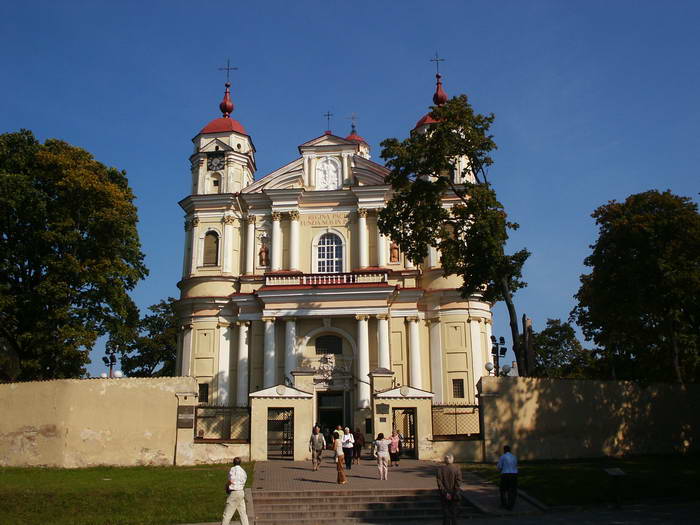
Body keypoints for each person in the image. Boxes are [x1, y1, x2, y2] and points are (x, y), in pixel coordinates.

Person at [221, 456, 249, 525]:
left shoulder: (233, 469)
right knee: (243, 514)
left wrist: (226, 486)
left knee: (227, 514)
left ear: (233, 462)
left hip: (234, 492)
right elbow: (244, 481)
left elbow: (231, 480)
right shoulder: (243, 471)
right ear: (240, 463)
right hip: (241, 492)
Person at [436, 454, 462, 525]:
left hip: (444, 494)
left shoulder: (440, 469)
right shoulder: (457, 469)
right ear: (452, 460)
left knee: (446, 514)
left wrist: (446, 493)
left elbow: (439, 483)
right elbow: (458, 482)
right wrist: (454, 491)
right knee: (454, 514)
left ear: (445, 460)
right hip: (454, 494)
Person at [497, 445, 518, 510]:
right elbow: (515, 465)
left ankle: (504, 504)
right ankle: (511, 505)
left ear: (504, 450)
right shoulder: (514, 457)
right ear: (510, 450)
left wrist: (500, 471)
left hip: (505, 475)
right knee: (512, 490)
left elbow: (499, 467)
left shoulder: (503, 457)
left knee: (503, 490)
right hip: (514, 475)